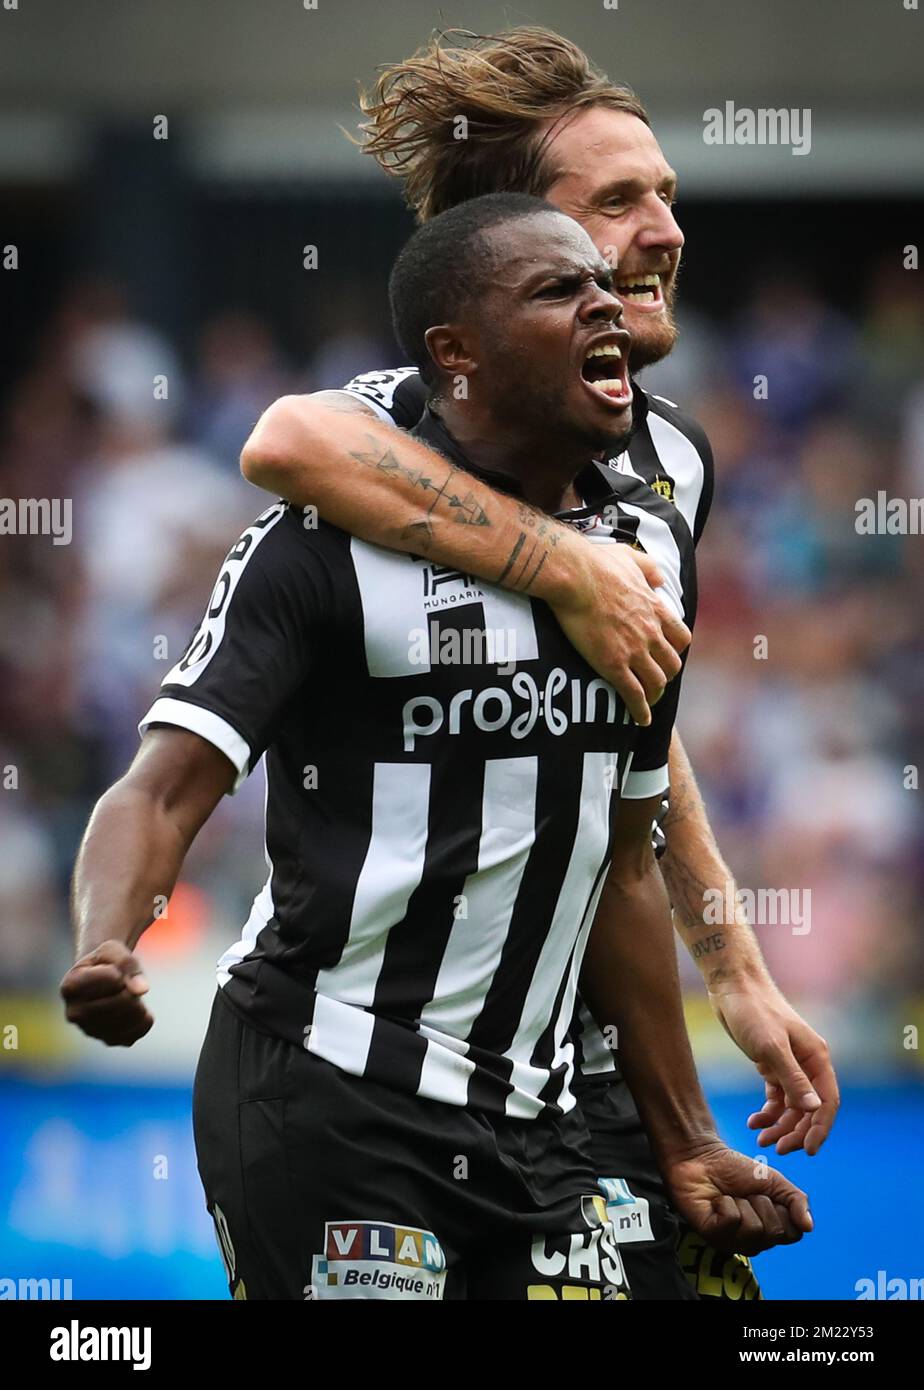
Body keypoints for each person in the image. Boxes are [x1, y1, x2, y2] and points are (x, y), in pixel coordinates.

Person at [62, 195, 811, 1301]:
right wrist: (107, 936)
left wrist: (689, 1137)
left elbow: (622, 861)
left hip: (537, 1127)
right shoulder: (321, 544)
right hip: (329, 1090)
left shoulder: (650, 545)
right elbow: (163, 787)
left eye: (599, 285)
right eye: (558, 290)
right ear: (455, 355)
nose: (604, 299)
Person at [240, 27, 838, 1298]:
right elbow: (286, 438)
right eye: (617, 202)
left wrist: (733, 961)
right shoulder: (409, 415)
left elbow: (632, 718)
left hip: (586, 1052)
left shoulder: (672, 457)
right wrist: (561, 565)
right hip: (368, 1060)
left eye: (667, 193)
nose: (666, 228)